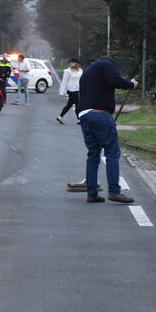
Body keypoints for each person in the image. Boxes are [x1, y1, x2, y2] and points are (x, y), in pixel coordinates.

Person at [76, 57, 138, 203]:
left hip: (84, 115)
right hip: (100, 114)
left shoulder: (86, 73)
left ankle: (92, 194)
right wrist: (131, 84)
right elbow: (115, 80)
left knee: (93, 154)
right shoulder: (105, 64)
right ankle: (114, 192)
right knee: (112, 152)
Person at [57, 58, 82, 124]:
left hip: (78, 90)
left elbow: (81, 80)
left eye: (73, 62)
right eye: (70, 62)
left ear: (76, 63)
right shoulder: (68, 71)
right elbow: (64, 81)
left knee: (70, 105)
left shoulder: (80, 71)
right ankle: (79, 119)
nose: (71, 64)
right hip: (71, 90)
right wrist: (61, 92)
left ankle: (60, 117)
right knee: (77, 104)